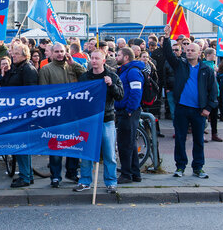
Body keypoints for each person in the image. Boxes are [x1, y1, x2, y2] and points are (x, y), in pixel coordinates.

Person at [163, 25, 218, 179]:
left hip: (199, 110)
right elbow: (168, 54)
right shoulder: (180, 64)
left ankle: (198, 167)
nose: (189, 52)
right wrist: (167, 38)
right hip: (182, 108)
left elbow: (213, 91)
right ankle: (180, 167)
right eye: (187, 50)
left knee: (198, 140)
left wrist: (208, 108)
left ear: (199, 53)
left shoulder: (206, 70)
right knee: (180, 139)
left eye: (192, 50)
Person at [76, 49, 123, 193]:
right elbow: (78, 96)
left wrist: (111, 85)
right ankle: (85, 181)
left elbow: (120, 96)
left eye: (97, 58)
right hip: (89, 120)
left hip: (106, 120)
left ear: (103, 60)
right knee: (86, 153)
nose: (94, 61)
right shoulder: (85, 77)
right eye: (92, 58)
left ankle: (111, 182)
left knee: (109, 153)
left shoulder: (112, 76)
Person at [39, 42, 86, 187]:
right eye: (57, 51)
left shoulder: (72, 66)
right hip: (56, 115)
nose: (60, 54)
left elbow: (86, 76)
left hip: (73, 114)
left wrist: (74, 63)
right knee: (55, 146)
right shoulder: (46, 69)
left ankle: (72, 172)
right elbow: (43, 92)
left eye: (62, 51)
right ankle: (55, 176)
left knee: (73, 143)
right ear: (51, 53)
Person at [1, 43, 38, 188]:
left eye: (16, 53)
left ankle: (25, 177)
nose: (13, 55)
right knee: (21, 145)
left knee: (22, 145)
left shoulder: (28, 69)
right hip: (15, 112)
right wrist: (5, 75)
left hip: (22, 114)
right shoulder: (17, 68)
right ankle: (28, 174)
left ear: (25, 55)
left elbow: (30, 94)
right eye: (12, 52)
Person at [114, 47, 144, 184]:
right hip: (126, 110)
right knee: (130, 144)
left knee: (125, 144)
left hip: (128, 111)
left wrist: (130, 109)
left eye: (118, 55)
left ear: (126, 57)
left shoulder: (132, 72)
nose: (116, 57)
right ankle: (135, 173)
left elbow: (136, 92)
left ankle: (126, 174)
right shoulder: (126, 71)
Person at [203, 48, 223, 142]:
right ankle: (202, 133)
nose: (215, 55)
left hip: (216, 93)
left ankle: (214, 134)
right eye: (214, 54)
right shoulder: (204, 65)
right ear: (208, 55)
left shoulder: (215, 66)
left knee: (214, 116)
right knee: (204, 115)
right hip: (207, 94)